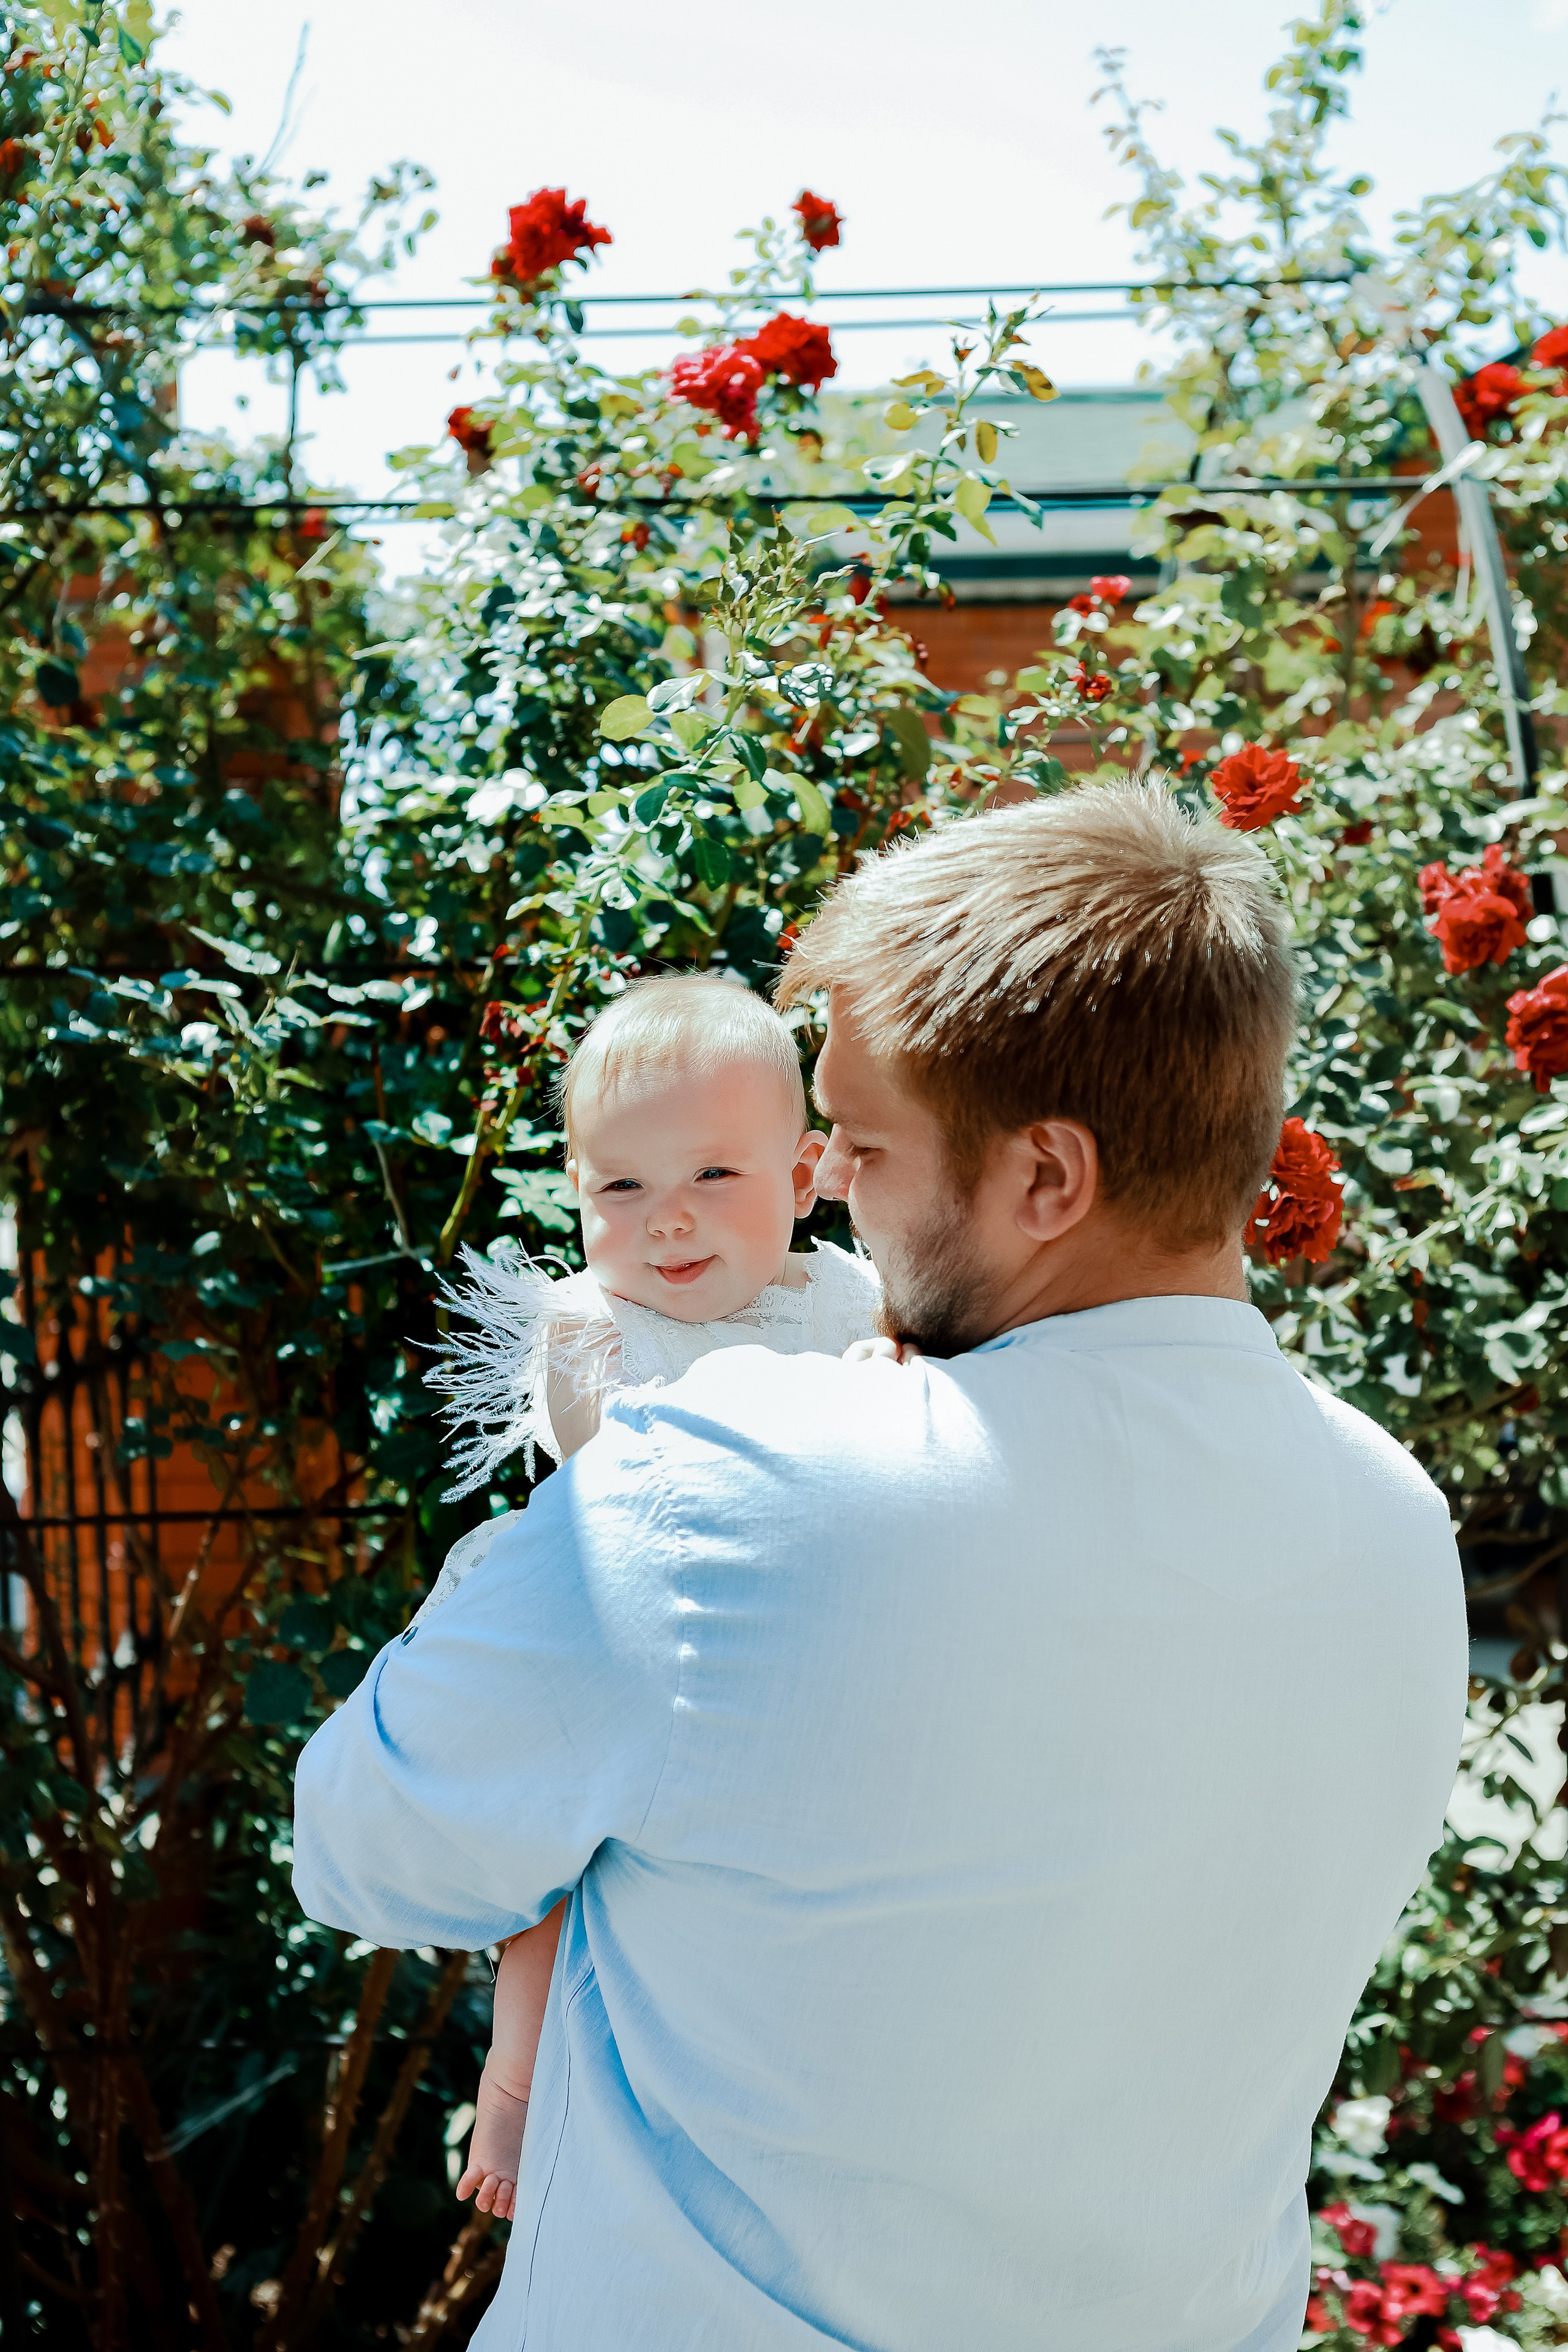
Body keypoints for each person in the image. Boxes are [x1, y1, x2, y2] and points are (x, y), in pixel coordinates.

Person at [293, 781, 1466, 2352]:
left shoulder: (715, 1492)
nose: (829, 1187)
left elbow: (364, 1845)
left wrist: (589, 1486)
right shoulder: (1393, 1522)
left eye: (862, 1144)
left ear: (1045, 1180)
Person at [420, 974, 878, 2220]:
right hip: (630, 1619)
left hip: (808, 1632)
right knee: (555, 1871)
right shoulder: (591, 1324)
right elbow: (627, 1481)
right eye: (621, 1187)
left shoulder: (847, 1295)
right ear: (576, 1193)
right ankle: (512, 2083)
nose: (665, 1222)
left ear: (801, 1178)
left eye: (712, 1179)